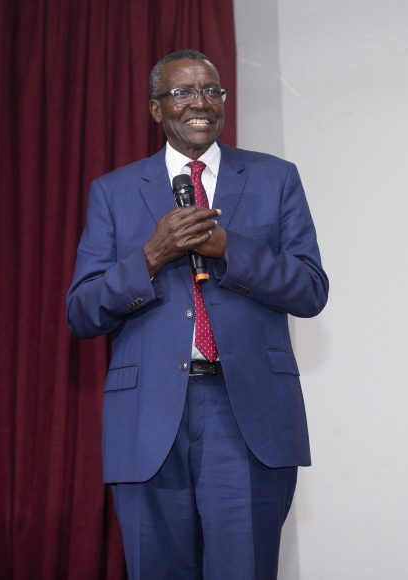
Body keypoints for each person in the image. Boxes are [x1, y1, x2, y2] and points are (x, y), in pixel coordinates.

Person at [67, 49, 329, 579]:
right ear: (156, 108)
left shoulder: (275, 178)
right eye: (182, 92)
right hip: (149, 418)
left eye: (211, 90)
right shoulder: (114, 192)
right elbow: (82, 311)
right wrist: (151, 256)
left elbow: (309, 290)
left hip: (246, 415)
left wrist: (230, 249)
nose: (200, 102)